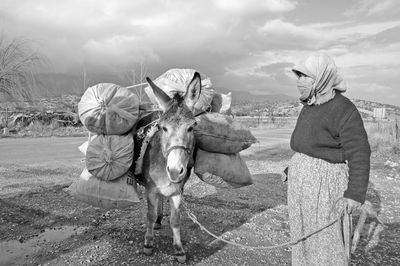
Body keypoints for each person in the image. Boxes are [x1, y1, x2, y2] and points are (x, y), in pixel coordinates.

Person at [287, 53, 371, 265]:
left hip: (326, 186)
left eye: (305, 76)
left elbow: (359, 153)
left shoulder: (344, 109)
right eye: (298, 76)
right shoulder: (310, 105)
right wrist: (293, 168)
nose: (299, 82)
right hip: (300, 185)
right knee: (303, 232)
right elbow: (308, 144)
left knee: (326, 239)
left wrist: (354, 194)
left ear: (322, 77)